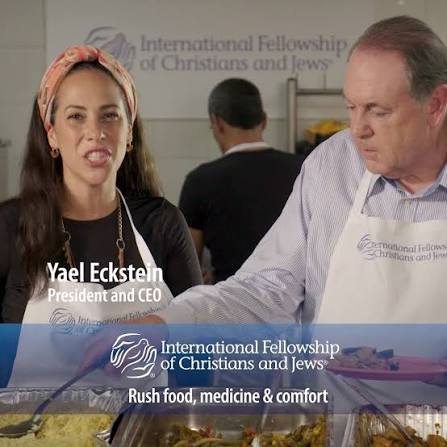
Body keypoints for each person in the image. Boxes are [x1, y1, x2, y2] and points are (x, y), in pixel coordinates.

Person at [82, 15, 447, 420]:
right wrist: (164, 326)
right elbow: (266, 289)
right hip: (333, 424)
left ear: (435, 106)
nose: (358, 129)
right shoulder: (333, 165)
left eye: (378, 111)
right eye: (351, 108)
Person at [0, 45, 201, 386]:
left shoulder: (162, 223)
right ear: (52, 133)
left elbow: (196, 347)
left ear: (129, 132)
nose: (96, 132)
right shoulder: (11, 225)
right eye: (76, 116)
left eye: (110, 115)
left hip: (145, 420)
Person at [179, 78, 304, 283]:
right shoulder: (304, 170)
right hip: (298, 300)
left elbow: (186, 269)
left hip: (230, 300)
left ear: (217, 123)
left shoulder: (199, 181)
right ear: (264, 120)